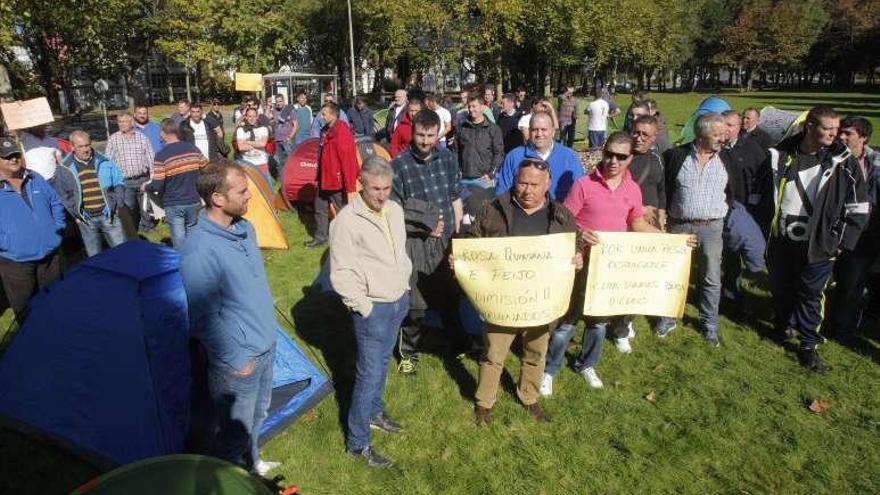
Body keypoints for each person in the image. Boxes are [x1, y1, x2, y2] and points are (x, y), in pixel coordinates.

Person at [179, 160, 280, 476]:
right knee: (231, 434)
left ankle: (252, 463)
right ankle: (229, 481)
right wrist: (238, 359)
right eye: (242, 190)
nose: (250, 195)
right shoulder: (198, 250)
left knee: (258, 416)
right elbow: (203, 317)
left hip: (266, 345)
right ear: (217, 199)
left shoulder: (245, 229)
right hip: (239, 362)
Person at [541, 133, 661, 397]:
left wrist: (671, 242)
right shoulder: (584, 184)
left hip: (609, 268)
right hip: (581, 262)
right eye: (609, 154)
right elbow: (565, 220)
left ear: (631, 158)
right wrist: (580, 234)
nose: (613, 161)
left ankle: (587, 365)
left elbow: (637, 223)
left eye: (621, 156)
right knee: (567, 322)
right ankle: (549, 369)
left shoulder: (632, 190)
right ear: (603, 153)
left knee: (598, 323)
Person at [464, 157, 581, 424]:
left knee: (536, 353)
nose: (528, 190)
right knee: (493, 354)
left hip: (540, 301)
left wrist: (577, 256)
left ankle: (528, 396)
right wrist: (462, 258)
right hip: (502, 300)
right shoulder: (492, 210)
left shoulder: (561, 215)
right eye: (522, 183)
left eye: (535, 185)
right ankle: (484, 401)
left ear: (547, 184)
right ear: (515, 181)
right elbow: (472, 242)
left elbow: (574, 244)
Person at [763, 107, 868, 372]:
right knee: (782, 286)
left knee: (810, 294)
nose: (836, 135)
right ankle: (783, 326)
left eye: (837, 129)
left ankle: (809, 344)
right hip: (781, 238)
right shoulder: (781, 155)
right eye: (828, 129)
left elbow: (859, 206)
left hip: (820, 243)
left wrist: (841, 241)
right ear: (810, 127)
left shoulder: (844, 162)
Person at [329, 156, 412, 469]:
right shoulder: (347, 221)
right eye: (375, 188)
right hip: (372, 308)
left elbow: (399, 252)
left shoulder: (395, 210)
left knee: (380, 366)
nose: (382, 195)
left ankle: (375, 413)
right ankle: (357, 443)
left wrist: (403, 285)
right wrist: (363, 306)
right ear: (360, 185)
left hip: (397, 300)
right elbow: (342, 272)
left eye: (387, 188)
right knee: (369, 374)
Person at [391, 110, 464, 375]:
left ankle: (458, 342)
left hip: (446, 242)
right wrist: (423, 228)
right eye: (420, 135)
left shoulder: (448, 159)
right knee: (416, 305)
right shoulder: (398, 165)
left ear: (438, 134)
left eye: (430, 135)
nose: (424, 141)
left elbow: (455, 197)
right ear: (413, 132)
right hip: (416, 244)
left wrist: (457, 235)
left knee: (451, 297)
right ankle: (408, 353)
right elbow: (394, 211)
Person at [655, 113, 736, 347]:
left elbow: (733, 191)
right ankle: (667, 318)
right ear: (701, 134)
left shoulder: (727, 158)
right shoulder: (676, 156)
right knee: (672, 275)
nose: (723, 138)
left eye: (724, 133)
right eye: (717, 134)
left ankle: (709, 325)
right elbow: (664, 188)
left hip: (711, 227)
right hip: (679, 226)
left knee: (710, 278)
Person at [0, 136, 65, 324]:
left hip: (50, 256)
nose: (13, 159)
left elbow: (55, 202)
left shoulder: (34, 177)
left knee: (56, 300)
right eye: (6, 156)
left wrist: (57, 227)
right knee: (26, 310)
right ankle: (31, 346)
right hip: (16, 262)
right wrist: (7, 243)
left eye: (15, 154)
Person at [829, 116, 880, 341]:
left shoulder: (875, 163)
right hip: (833, 229)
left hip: (864, 236)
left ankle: (842, 330)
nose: (842, 136)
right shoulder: (832, 158)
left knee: (852, 284)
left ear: (863, 138)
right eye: (842, 132)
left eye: (848, 133)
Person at [718, 110, 768, 310]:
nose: (725, 129)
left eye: (730, 125)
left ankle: (750, 288)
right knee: (728, 256)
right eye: (723, 124)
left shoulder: (752, 149)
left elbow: (763, 179)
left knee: (746, 251)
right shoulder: (715, 149)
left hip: (748, 210)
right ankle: (730, 297)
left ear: (739, 127)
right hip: (723, 210)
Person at [60, 130, 126, 257]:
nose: (85, 149)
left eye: (87, 145)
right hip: (86, 220)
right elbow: (65, 195)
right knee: (94, 256)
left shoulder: (104, 161)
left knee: (122, 252)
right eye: (80, 146)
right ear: (72, 147)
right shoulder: (65, 168)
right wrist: (76, 215)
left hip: (109, 215)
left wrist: (118, 205)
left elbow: (119, 182)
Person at [495, 111, 584, 201]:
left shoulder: (570, 157)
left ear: (553, 131)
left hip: (560, 212)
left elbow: (580, 193)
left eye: (543, 129)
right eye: (534, 130)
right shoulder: (514, 157)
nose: (539, 134)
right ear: (529, 132)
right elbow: (502, 193)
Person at [305, 102, 359, 249]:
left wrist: (350, 186)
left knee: (342, 211)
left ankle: (349, 239)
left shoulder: (342, 132)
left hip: (335, 179)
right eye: (321, 114)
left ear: (334, 115)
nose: (321, 117)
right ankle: (321, 236)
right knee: (319, 207)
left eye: (324, 114)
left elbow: (348, 159)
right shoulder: (325, 131)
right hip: (324, 178)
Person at [146, 119, 208, 248]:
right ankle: (196, 263)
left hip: (174, 203)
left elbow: (157, 185)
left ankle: (181, 264)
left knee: (179, 241)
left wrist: (146, 186)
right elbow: (207, 168)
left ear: (163, 133)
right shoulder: (192, 148)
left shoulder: (161, 155)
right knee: (194, 236)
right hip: (194, 200)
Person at [104, 112, 155, 233]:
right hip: (124, 181)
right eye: (119, 122)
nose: (121, 124)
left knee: (145, 206)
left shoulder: (142, 138)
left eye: (124, 121)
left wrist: (151, 177)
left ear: (131, 122)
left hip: (142, 178)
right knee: (129, 206)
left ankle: (147, 226)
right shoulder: (113, 139)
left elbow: (150, 157)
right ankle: (132, 228)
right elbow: (108, 161)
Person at [454, 95, 504, 184]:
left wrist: (491, 174)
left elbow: (499, 153)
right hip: (465, 178)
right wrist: (458, 170)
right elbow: (456, 151)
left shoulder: (493, 129)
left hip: (484, 179)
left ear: (482, 107)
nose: (471, 109)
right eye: (469, 106)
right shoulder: (461, 128)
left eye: (474, 106)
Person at [629, 115, 666, 229]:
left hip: (651, 223)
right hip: (627, 220)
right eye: (636, 133)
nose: (639, 138)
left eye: (644, 134)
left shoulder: (657, 158)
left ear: (654, 137)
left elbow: (661, 190)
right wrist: (641, 210)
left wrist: (660, 216)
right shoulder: (621, 158)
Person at [270, 93, 297, 172]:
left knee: (290, 160)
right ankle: (282, 178)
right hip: (278, 140)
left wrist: (290, 137)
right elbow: (270, 120)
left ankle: (292, 177)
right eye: (277, 102)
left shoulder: (289, 110)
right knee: (280, 161)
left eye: (280, 101)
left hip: (287, 140)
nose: (279, 103)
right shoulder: (274, 111)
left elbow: (296, 125)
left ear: (284, 101)